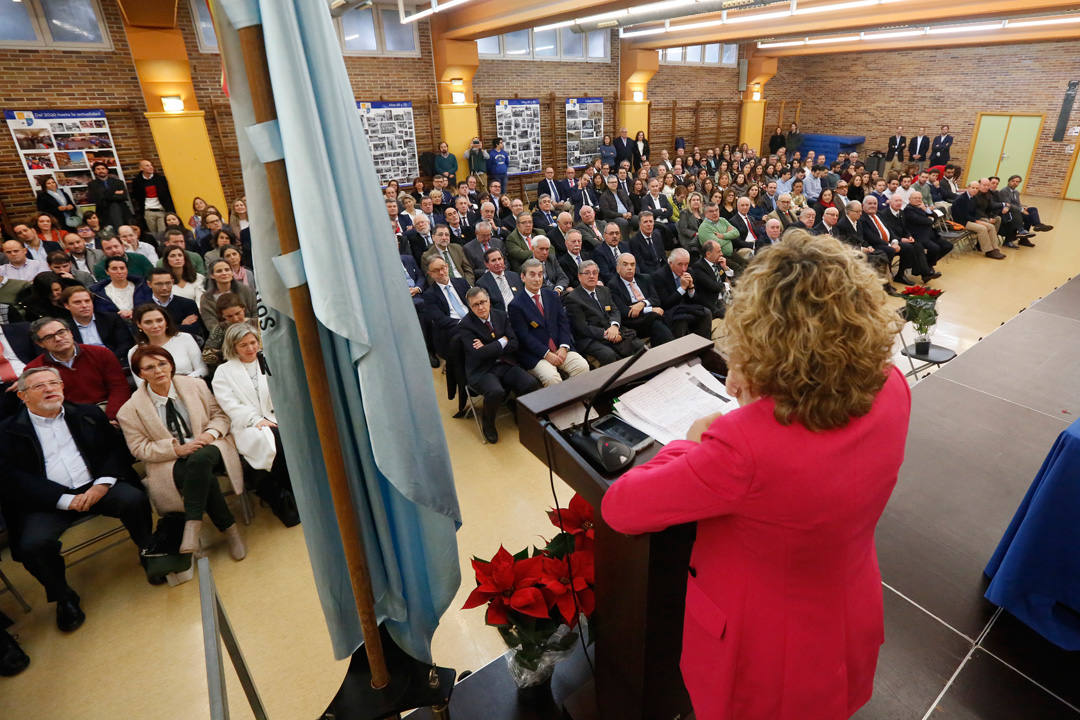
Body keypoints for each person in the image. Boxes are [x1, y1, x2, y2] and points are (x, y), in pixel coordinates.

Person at [602, 230, 910, 720]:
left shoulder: (743, 445)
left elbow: (622, 507)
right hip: (846, 613)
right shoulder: (893, 386)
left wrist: (691, 440)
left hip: (765, 655)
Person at [0, 366, 152, 632]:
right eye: (39, 386)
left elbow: (115, 451)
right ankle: (63, 596)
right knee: (32, 544)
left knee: (133, 499)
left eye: (53, 383)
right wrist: (63, 499)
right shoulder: (6, 432)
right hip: (47, 501)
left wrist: (101, 485)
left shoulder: (87, 413)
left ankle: (149, 552)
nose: (50, 389)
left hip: (95, 486)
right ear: (23, 396)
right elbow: (13, 479)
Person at [118, 346, 246, 560]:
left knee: (200, 459)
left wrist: (208, 435)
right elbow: (139, 447)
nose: (158, 370)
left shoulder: (195, 385)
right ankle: (231, 531)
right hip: (171, 460)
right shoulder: (129, 410)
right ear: (140, 374)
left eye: (162, 363)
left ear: (171, 365)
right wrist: (176, 449)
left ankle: (192, 523)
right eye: (149, 367)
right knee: (199, 472)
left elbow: (220, 416)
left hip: (210, 445)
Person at [212, 324, 299, 526]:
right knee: (272, 439)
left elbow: (286, 390)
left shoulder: (270, 359)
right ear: (233, 347)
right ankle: (285, 494)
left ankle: (286, 494)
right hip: (247, 425)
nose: (251, 348)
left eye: (253, 342)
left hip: (279, 417)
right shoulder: (223, 372)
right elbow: (230, 406)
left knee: (281, 435)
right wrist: (256, 420)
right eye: (244, 345)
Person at [456, 287, 540, 443]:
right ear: (469, 307)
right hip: (482, 370)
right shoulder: (465, 325)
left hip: (504, 363)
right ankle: (488, 424)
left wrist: (488, 346)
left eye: (483, 302)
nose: (480, 307)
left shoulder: (500, 315)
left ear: (489, 301)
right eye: (475, 305)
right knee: (495, 391)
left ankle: (517, 410)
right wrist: (502, 341)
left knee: (530, 383)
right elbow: (478, 354)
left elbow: (514, 343)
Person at [25, 317, 131, 420]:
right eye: (49, 337)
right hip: (69, 418)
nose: (58, 338)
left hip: (106, 407)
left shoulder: (101, 353)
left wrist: (110, 417)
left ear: (70, 333)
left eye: (61, 332)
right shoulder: (35, 369)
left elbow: (119, 387)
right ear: (40, 344)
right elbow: (44, 404)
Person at [508, 259, 589, 387]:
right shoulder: (515, 305)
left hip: (560, 348)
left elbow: (563, 324)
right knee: (552, 378)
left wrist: (563, 347)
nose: (537, 279)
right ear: (523, 277)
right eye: (532, 274)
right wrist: (546, 353)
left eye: (540, 274)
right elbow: (524, 337)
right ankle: (563, 406)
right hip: (536, 355)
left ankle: (575, 399)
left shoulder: (552, 296)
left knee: (582, 366)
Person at [562, 260, 642, 366]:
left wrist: (614, 326)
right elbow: (582, 327)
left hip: (613, 330)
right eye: (587, 273)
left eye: (595, 273)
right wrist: (607, 334)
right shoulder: (573, 298)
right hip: (590, 338)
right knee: (609, 355)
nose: (591, 276)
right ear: (579, 276)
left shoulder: (604, 290)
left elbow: (614, 310)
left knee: (638, 345)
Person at [128, 304, 206, 385]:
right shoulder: (134, 352)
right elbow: (141, 384)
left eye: (159, 320)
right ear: (139, 325)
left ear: (166, 321)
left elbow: (202, 369)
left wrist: (180, 383)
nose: (155, 326)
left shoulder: (185, 338)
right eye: (148, 322)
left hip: (191, 386)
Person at [607, 253, 673, 346]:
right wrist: (650, 309)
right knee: (659, 323)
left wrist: (642, 304)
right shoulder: (613, 285)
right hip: (634, 322)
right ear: (618, 268)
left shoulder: (645, 278)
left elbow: (656, 299)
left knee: (659, 326)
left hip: (650, 318)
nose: (629, 267)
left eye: (632, 264)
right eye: (625, 264)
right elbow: (625, 311)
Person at [649, 249, 713, 340]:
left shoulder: (690, 272)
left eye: (686, 264)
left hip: (686, 307)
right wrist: (682, 288)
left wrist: (691, 288)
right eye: (680, 264)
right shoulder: (659, 276)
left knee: (706, 312)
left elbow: (698, 300)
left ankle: (703, 345)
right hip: (670, 311)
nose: (684, 268)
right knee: (681, 319)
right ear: (670, 263)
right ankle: (681, 351)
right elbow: (665, 304)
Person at [62, 286, 134, 368]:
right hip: (82, 367)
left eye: (87, 301)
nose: (84, 305)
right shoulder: (63, 327)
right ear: (67, 305)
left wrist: (108, 359)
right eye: (77, 302)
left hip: (113, 362)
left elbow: (126, 344)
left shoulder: (111, 319)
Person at [950, 182, 1005, 260]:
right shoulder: (961, 199)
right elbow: (963, 216)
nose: (975, 190)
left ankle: (995, 249)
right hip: (962, 222)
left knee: (991, 226)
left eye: (976, 188)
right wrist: (977, 221)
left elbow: (974, 212)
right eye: (973, 188)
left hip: (970, 220)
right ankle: (988, 251)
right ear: (968, 187)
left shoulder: (973, 198)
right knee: (982, 228)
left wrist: (981, 220)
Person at [200, 260, 256, 332]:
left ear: (232, 273)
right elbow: (212, 326)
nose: (224, 273)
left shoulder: (245, 290)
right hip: (225, 336)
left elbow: (256, 313)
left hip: (251, 331)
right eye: (219, 271)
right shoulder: (206, 299)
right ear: (212, 275)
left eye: (227, 270)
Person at [129, 160, 175, 237]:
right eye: (147, 165)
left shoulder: (160, 179)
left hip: (161, 210)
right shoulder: (137, 181)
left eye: (151, 165)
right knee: (154, 235)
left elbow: (167, 195)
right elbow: (136, 196)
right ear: (141, 168)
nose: (150, 167)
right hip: (148, 211)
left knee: (163, 233)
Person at [689, 240, 732, 319]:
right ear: (708, 254)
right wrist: (727, 284)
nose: (721, 254)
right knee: (736, 315)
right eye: (718, 251)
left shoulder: (716, 263)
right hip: (713, 304)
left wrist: (725, 268)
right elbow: (713, 286)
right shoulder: (698, 267)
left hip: (724, 298)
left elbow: (727, 279)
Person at [87, 162, 129, 230]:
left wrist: (105, 194)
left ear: (107, 170)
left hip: (121, 211)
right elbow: (96, 199)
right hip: (104, 213)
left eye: (103, 168)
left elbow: (124, 197)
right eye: (98, 169)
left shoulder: (118, 182)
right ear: (94, 171)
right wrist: (114, 193)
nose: (101, 171)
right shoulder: (92, 185)